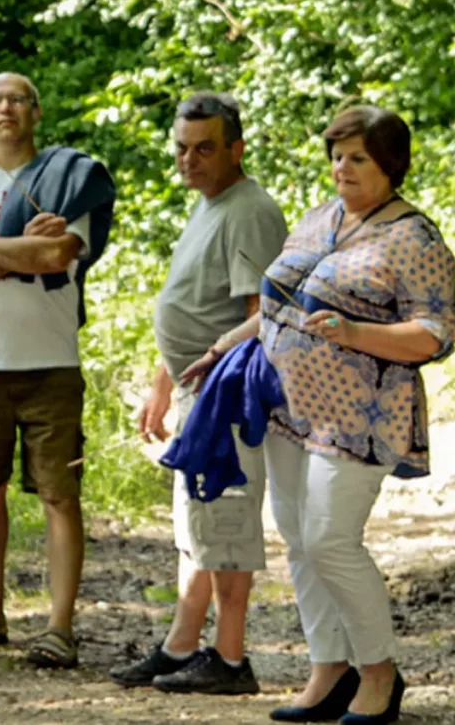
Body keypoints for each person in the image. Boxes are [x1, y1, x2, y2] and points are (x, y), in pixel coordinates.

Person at [193, 106, 454, 725]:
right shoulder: (316, 220)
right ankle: (327, 669)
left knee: (332, 539)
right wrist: (219, 350)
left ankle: (380, 675)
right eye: (337, 155)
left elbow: (434, 334)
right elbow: (278, 307)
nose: (343, 167)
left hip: (362, 414)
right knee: (301, 540)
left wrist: (356, 331)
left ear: (390, 165)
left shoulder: (415, 238)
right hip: (289, 407)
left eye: (358, 157)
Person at [0, 71, 114, 668]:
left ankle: (59, 625)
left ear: (35, 112)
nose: (6, 108)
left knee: (60, 495)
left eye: (17, 99)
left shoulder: (68, 178)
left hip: (51, 358)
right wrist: (19, 250)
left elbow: (58, 254)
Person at [110, 93, 289, 697]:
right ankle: (179, 647)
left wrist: (211, 361)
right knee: (198, 526)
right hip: (196, 392)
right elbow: (193, 304)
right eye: (182, 149)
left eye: (205, 148)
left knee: (228, 520)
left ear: (236, 150)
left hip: (229, 394)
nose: (190, 160)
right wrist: (163, 383)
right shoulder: (210, 204)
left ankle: (232, 658)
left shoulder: (249, 210)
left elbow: (263, 315)